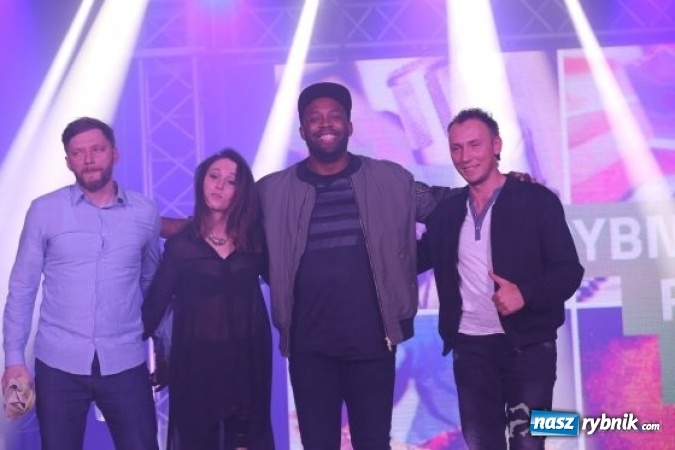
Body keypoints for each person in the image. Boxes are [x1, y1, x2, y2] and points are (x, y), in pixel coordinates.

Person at [255, 81, 440, 449]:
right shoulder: (272, 190)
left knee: (372, 443)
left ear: (350, 126)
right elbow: (234, 232)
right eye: (315, 118)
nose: (325, 124)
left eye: (335, 116)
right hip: (309, 347)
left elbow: (448, 209)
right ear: (302, 130)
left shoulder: (390, 178)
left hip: (373, 344)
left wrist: (505, 185)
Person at [417, 108, 584, 450]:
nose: (465, 156)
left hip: (529, 348)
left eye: (474, 145)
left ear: (496, 145)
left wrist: (525, 294)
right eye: (456, 148)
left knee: (528, 444)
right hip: (471, 348)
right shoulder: (447, 212)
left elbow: (569, 271)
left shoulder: (536, 201)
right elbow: (410, 260)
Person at [2, 117, 161, 450]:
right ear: (68, 161)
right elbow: (23, 287)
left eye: (97, 149)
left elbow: (152, 285)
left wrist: (162, 346)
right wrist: (14, 358)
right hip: (58, 363)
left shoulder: (144, 212)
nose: (88, 159)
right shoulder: (44, 210)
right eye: (78, 153)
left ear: (115, 153)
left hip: (125, 359)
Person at [142, 149, 275, 450]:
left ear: (241, 191)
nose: (219, 185)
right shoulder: (182, 245)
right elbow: (154, 308)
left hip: (247, 362)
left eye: (231, 181)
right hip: (196, 365)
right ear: (202, 181)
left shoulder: (255, 240)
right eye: (214, 176)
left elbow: (284, 284)